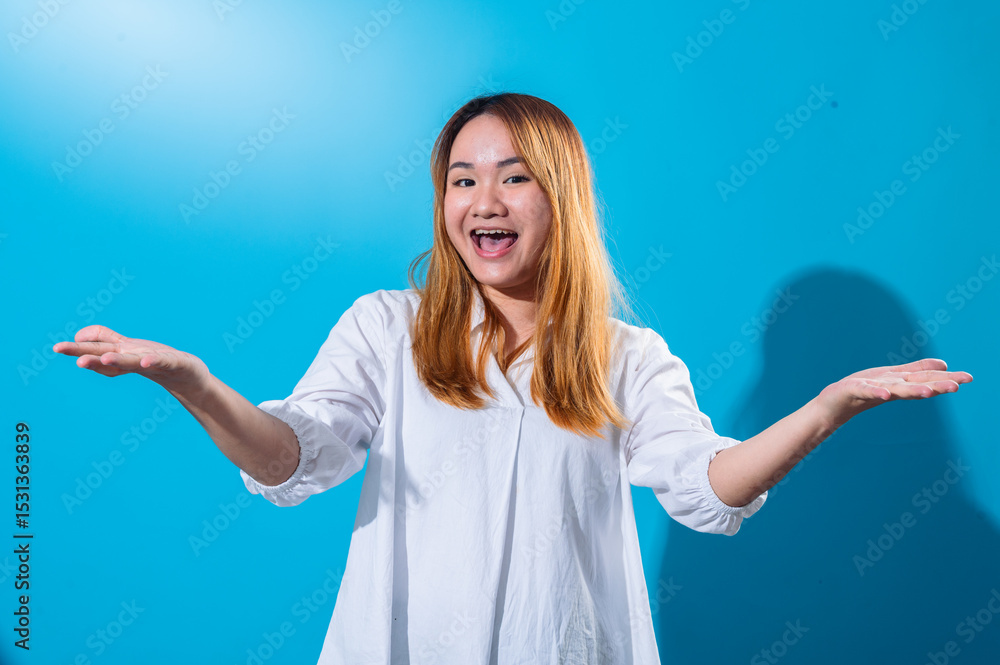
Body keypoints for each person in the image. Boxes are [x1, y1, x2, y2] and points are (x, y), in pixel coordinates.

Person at [53, 93, 973, 664]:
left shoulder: (627, 356)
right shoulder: (386, 328)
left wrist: (828, 404)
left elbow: (707, 484)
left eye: (512, 178)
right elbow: (295, 456)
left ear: (559, 199)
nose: (482, 201)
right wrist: (195, 383)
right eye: (461, 179)